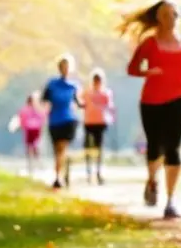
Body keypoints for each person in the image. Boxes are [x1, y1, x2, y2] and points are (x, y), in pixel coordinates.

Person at [121, 0, 181, 219]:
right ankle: (152, 180)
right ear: (158, 18)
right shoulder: (149, 44)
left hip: (179, 100)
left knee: (172, 147)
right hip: (151, 101)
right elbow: (132, 69)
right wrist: (148, 72)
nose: (171, 19)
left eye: (174, 14)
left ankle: (170, 200)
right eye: (166, 15)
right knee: (154, 147)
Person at [42, 54, 83, 189]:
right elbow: (44, 100)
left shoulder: (73, 86)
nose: (65, 69)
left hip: (68, 120)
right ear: (59, 68)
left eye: (67, 67)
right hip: (54, 120)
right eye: (63, 66)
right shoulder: (52, 85)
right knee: (57, 151)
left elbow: (78, 102)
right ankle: (60, 174)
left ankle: (58, 177)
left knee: (62, 148)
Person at [82, 68, 116, 185]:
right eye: (95, 79)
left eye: (99, 79)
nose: (97, 81)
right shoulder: (87, 92)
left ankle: (98, 172)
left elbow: (110, 107)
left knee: (99, 148)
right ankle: (88, 172)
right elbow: (81, 104)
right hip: (88, 122)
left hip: (101, 123)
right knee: (88, 148)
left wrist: (111, 118)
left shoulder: (106, 93)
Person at [17, 92, 46, 176]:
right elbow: (42, 118)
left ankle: (33, 165)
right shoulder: (35, 109)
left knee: (31, 147)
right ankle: (35, 164)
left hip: (31, 130)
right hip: (34, 129)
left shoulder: (26, 110)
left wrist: (22, 126)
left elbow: (22, 119)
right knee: (34, 147)